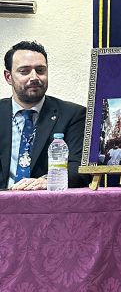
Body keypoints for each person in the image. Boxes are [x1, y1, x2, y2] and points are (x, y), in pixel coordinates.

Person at [0, 40, 86, 190]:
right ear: (8, 77)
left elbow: (80, 169)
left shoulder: (73, 115)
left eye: (40, 70)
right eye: (24, 71)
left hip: (47, 201)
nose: (34, 77)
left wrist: (49, 181)